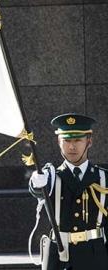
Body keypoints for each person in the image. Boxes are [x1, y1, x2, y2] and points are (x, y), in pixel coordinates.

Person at [29, 113, 108, 270]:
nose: (72, 146)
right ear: (59, 142)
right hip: (60, 257)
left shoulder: (103, 178)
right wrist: (36, 182)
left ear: (89, 141)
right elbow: (37, 189)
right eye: (67, 140)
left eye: (78, 140)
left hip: (95, 257)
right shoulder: (50, 176)